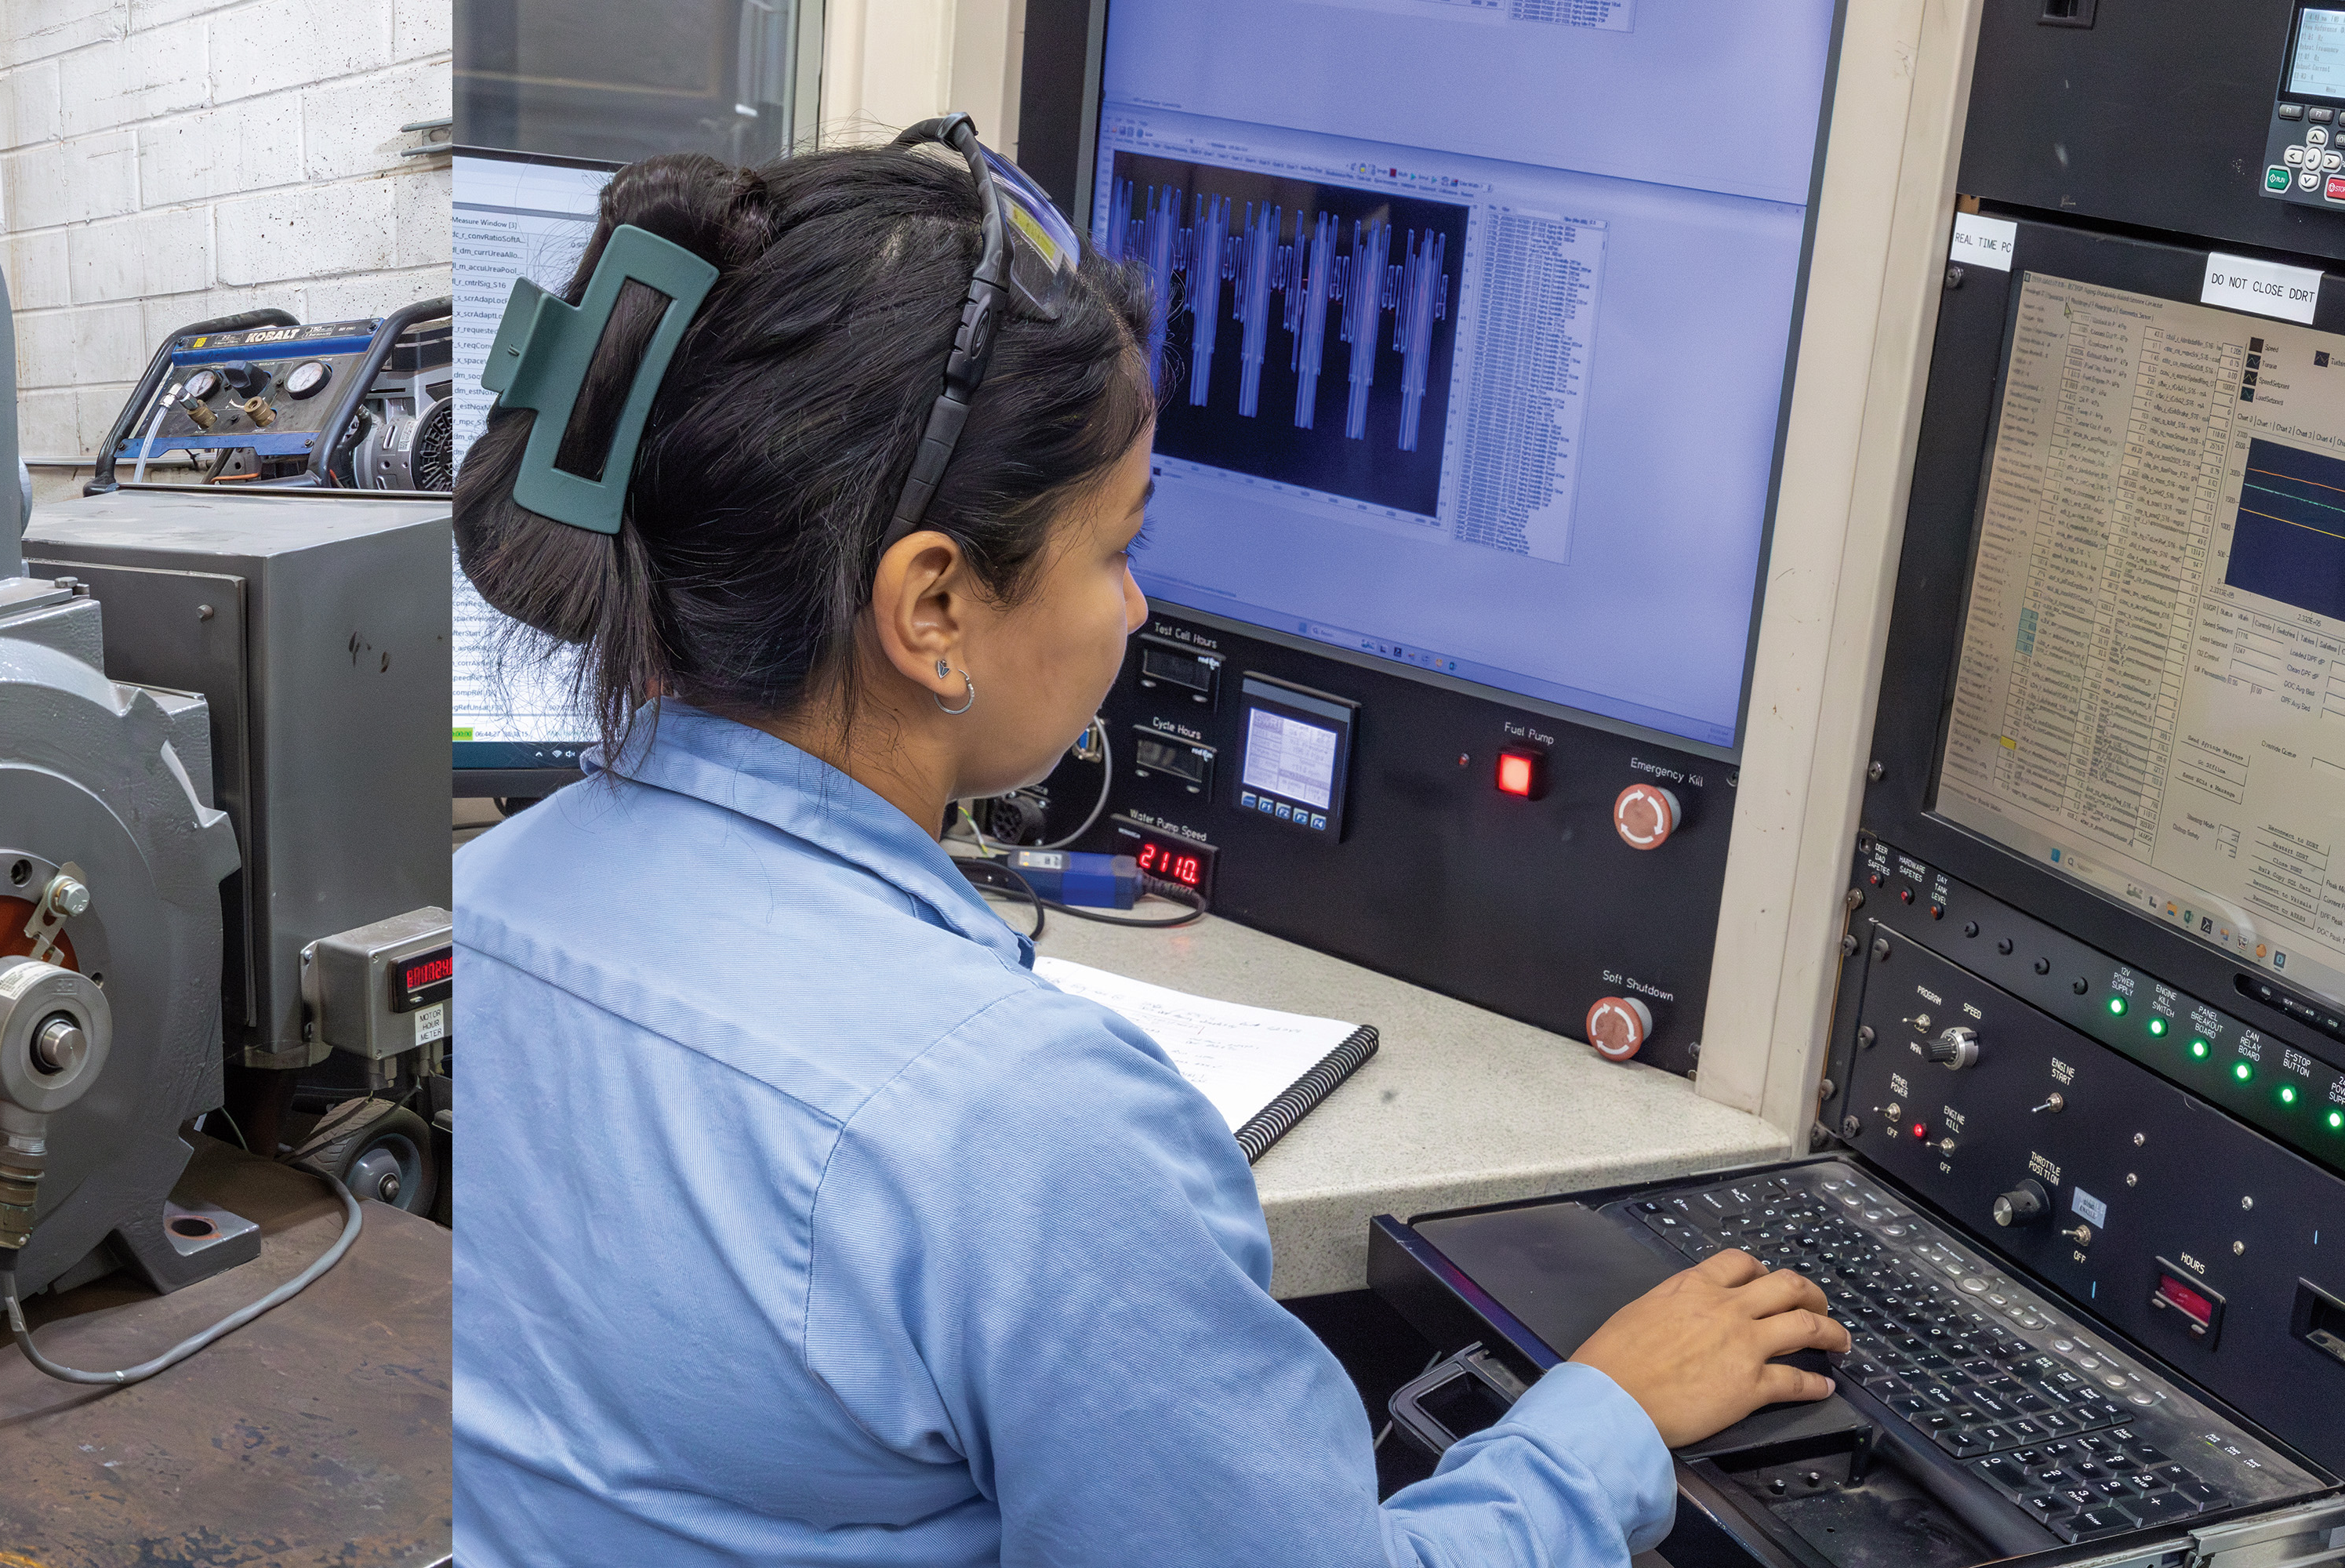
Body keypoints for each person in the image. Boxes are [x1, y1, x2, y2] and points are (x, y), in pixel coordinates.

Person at [447, 122, 1851, 1566]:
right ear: (932, 609)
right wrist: (1601, 1423)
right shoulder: (1027, 1128)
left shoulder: (469, 914)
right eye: (1118, 547)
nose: (1135, 607)